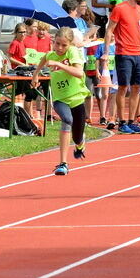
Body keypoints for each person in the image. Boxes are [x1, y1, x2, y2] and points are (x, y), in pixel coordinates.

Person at [32, 27, 90, 176]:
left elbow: (78, 72)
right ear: (53, 41)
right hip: (59, 99)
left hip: (77, 98)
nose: (59, 48)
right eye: (57, 43)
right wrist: (36, 75)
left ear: (70, 44)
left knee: (77, 136)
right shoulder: (51, 54)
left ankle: (80, 143)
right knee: (66, 119)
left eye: (64, 45)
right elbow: (44, 59)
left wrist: (61, 65)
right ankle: (63, 163)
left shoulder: (73, 52)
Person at [107, 0, 140, 134]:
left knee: (137, 87)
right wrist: (107, 52)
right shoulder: (119, 8)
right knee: (122, 87)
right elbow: (109, 31)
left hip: (139, 53)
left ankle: (132, 121)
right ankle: (121, 121)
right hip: (124, 53)